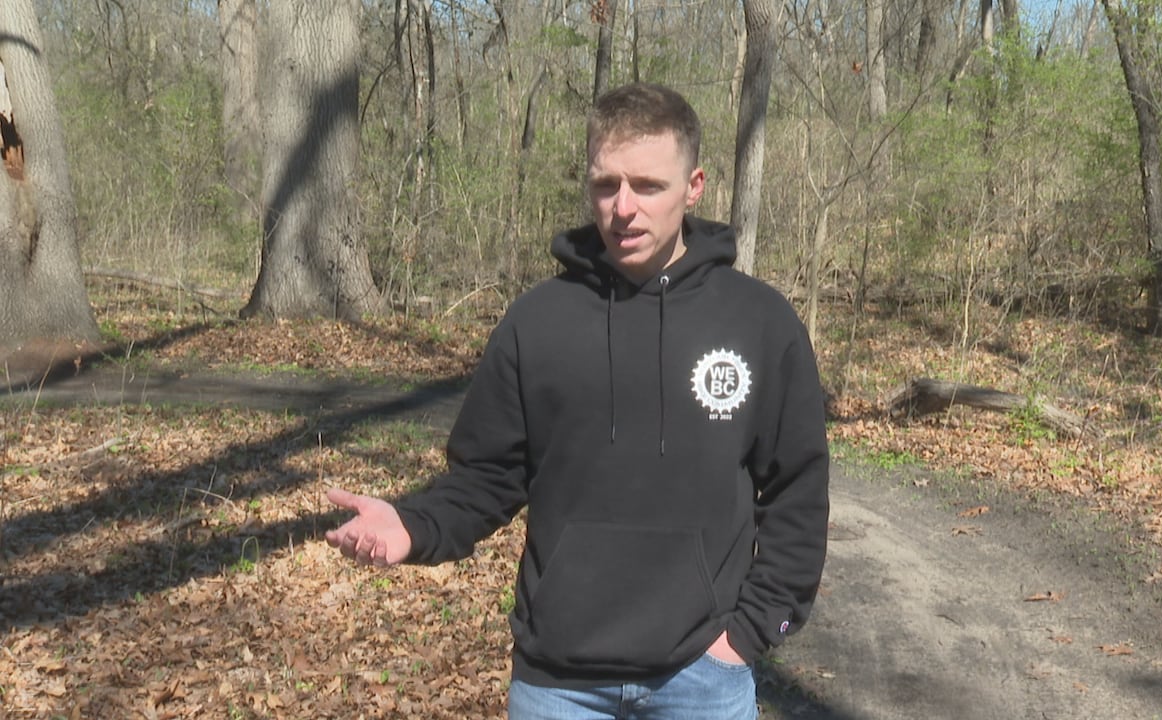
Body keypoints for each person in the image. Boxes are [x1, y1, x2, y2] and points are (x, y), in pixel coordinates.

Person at [325, 82, 830, 720]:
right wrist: (413, 525)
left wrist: (750, 634)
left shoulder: (760, 323)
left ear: (694, 186)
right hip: (557, 683)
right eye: (605, 185)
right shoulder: (537, 323)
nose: (624, 208)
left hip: (701, 677)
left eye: (648, 185)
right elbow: (486, 478)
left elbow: (797, 494)